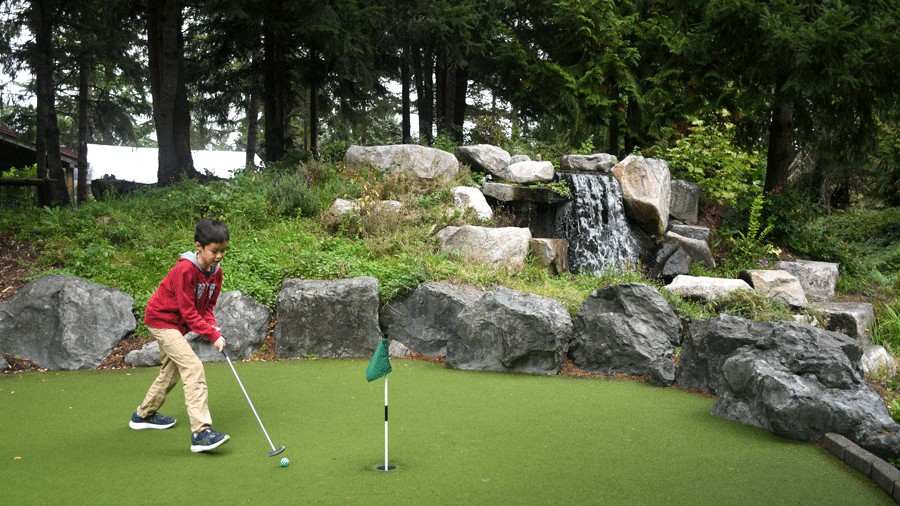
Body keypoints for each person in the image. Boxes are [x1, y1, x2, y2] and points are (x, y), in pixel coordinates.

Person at [129, 217, 231, 453]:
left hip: (178, 325)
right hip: (162, 321)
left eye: (223, 251)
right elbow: (188, 311)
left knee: (171, 370)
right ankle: (201, 433)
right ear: (199, 246)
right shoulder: (184, 270)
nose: (219, 256)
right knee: (193, 367)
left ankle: (143, 415)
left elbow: (206, 308)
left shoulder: (216, 273)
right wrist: (210, 335)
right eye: (214, 251)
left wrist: (213, 328)